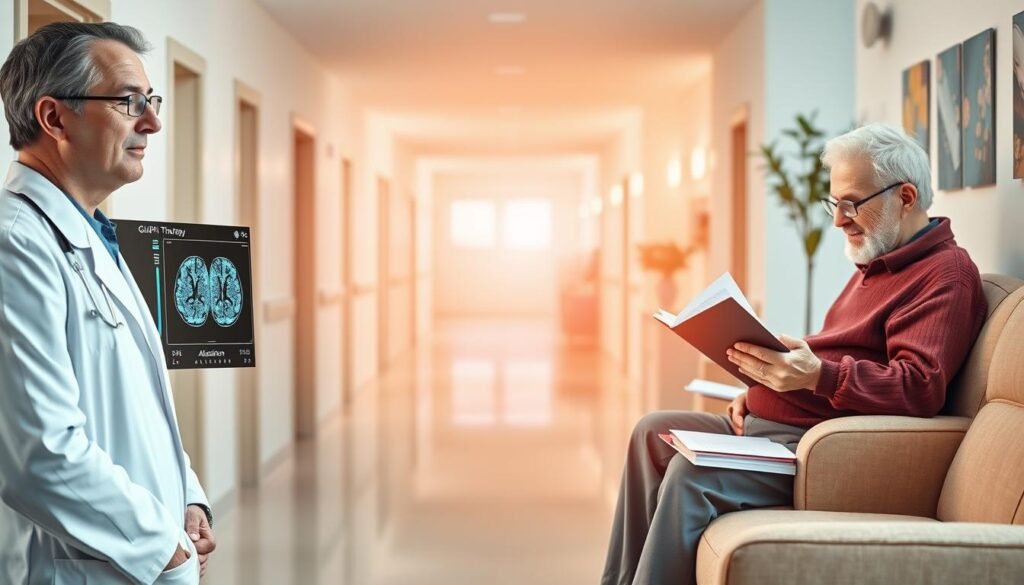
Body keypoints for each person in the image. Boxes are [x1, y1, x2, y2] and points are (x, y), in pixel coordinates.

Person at [600, 123, 987, 585]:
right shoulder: (877, 262)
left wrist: (814, 377)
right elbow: (840, 354)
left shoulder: (945, 276)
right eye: (834, 203)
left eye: (851, 204)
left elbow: (918, 385)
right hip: (778, 427)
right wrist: (762, 382)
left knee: (689, 472)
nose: (838, 220)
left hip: (813, 447)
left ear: (905, 197)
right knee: (651, 433)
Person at [0, 22, 215, 584]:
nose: (153, 121)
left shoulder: (93, 233)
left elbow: (137, 409)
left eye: (152, 101)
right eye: (129, 102)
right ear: (53, 118)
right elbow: (40, 456)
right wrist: (163, 547)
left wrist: (188, 500)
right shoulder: (15, 244)